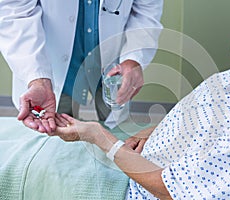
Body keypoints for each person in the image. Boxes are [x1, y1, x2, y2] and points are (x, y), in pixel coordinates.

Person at [50, 0, 230, 199]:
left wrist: (100, 137)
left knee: (33, 166)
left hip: (131, 189)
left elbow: (176, 191)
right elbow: (196, 117)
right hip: (130, 164)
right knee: (29, 143)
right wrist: (149, 132)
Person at [0, 0, 163, 133]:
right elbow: (15, 12)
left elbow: (146, 9)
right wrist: (38, 78)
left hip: (113, 66)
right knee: (50, 138)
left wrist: (134, 58)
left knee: (116, 135)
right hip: (52, 67)